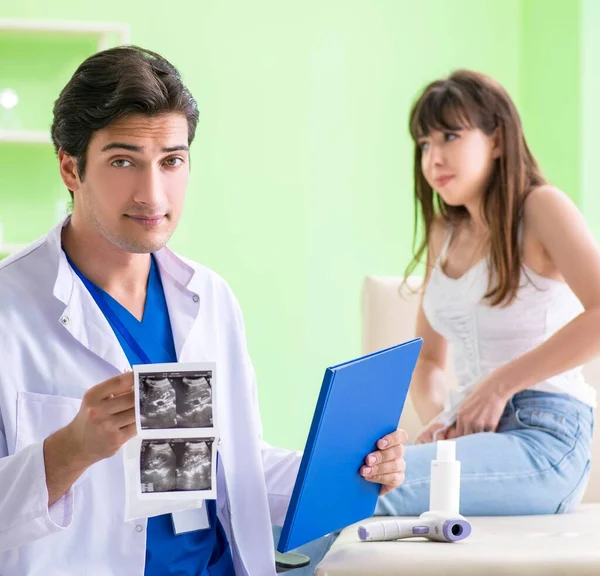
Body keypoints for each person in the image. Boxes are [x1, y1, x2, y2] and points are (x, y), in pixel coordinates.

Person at [0, 46, 407, 576]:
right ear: (70, 168)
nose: (153, 194)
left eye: (171, 161)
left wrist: (350, 468)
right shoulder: (11, 307)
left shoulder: (208, 298)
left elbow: (234, 471)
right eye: (123, 161)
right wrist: (70, 451)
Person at [374, 69, 600, 519]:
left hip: (547, 436)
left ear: (497, 140)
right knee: (337, 479)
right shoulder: (444, 232)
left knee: (362, 488)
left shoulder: (541, 207)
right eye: (424, 144)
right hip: (475, 435)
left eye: (450, 136)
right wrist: (442, 420)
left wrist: (498, 386)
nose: (433, 158)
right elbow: (430, 361)